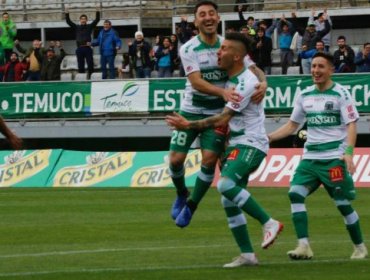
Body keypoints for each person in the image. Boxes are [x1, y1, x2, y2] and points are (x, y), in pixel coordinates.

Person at [166, 32, 283, 267]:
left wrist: (188, 125)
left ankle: (269, 222)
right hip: (238, 143)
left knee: (225, 185)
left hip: (250, 143)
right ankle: (248, 255)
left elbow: (222, 119)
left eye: (225, 49)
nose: (219, 52)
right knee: (228, 200)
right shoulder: (233, 78)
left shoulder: (243, 84)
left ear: (237, 56)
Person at [168, 1, 267, 228]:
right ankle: (182, 193)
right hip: (191, 109)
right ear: (196, 21)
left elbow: (253, 68)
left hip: (217, 113)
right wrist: (223, 91)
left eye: (212, 13)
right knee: (175, 160)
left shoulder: (229, 45)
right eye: (202, 14)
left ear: (219, 18)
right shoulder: (188, 48)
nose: (208, 17)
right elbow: (196, 82)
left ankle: (191, 206)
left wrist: (264, 82)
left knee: (210, 160)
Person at [268, 52, 368, 260]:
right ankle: (303, 246)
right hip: (310, 159)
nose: (315, 70)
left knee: (342, 204)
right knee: (295, 193)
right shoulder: (305, 95)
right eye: (313, 66)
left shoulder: (341, 94)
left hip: (333, 159)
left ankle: (360, 247)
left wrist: (349, 153)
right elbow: (292, 126)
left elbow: (351, 124)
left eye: (321, 66)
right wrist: (267, 138)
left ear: (331, 69)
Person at [65, 5, 100, 79]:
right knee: (80, 64)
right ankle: (82, 79)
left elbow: (97, 20)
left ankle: (91, 78)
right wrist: (67, 12)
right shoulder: (77, 27)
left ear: (86, 20)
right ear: (80, 20)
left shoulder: (89, 26)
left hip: (87, 48)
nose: (83, 20)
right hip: (79, 49)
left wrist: (97, 10)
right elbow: (68, 21)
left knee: (90, 64)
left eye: (84, 19)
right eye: (82, 19)